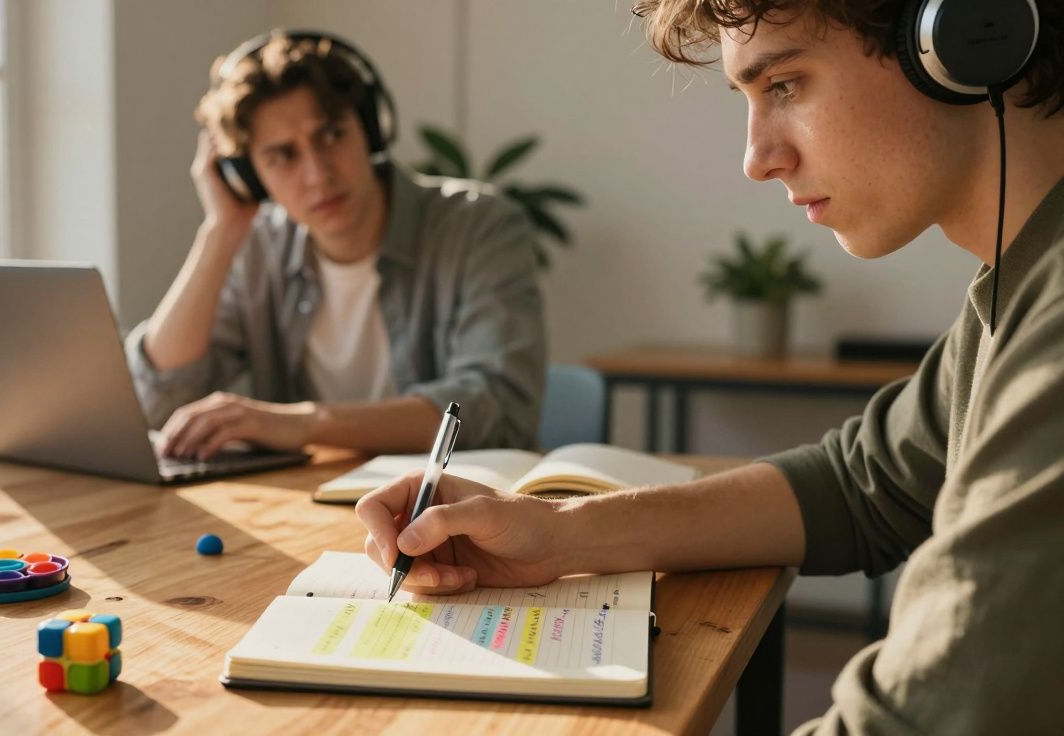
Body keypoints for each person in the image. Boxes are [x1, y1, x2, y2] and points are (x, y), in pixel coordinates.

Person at [356, 1, 1064, 732]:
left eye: (784, 85)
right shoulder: (1022, 280)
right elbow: (863, 485)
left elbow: (926, 720)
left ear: (967, 33)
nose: (757, 159)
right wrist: (558, 532)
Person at [125, 30, 547, 461]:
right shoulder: (258, 247)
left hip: (450, 506)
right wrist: (220, 231)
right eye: (283, 155)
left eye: (331, 135)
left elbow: (497, 405)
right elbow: (157, 400)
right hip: (311, 509)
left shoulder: (478, 226)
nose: (317, 174)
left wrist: (305, 423)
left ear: (370, 129)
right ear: (250, 176)